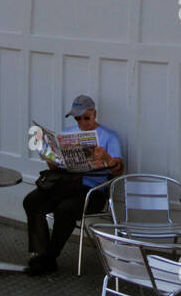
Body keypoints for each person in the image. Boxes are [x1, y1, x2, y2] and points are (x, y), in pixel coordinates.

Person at [22, 94, 124, 275]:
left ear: (95, 114)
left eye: (87, 117)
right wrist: (49, 156)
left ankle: (49, 257)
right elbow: (56, 165)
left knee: (65, 209)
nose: (82, 122)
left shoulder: (109, 137)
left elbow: (119, 170)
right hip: (65, 183)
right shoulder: (66, 135)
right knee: (31, 201)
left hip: (92, 190)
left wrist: (107, 159)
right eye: (78, 118)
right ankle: (42, 252)